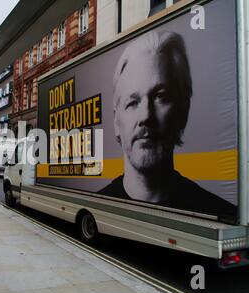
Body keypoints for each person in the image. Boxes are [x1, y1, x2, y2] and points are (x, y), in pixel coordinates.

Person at [98, 30, 236, 220]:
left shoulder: (221, 213)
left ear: (183, 110)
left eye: (160, 97)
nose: (146, 116)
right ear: (116, 121)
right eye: (132, 102)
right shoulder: (101, 203)